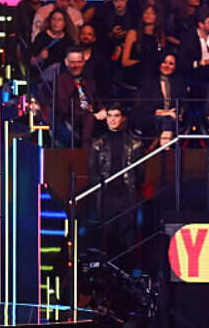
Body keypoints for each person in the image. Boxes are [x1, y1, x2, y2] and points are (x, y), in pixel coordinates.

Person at [87, 103, 143, 250]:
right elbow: (93, 171)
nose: (112, 119)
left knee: (127, 235)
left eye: (116, 116)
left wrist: (134, 189)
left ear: (122, 118)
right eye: (110, 116)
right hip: (106, 195)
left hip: (127, 194)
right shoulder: (98, 144)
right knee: (107, 235)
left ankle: (126, 263)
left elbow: (140, 173)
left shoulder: (135, 143)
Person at [138, 51, 184, 148]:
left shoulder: (179, 83)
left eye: (171, 63)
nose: (167, 66)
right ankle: (166, 151)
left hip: (173, 119)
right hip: (151, 118)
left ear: (175, 67)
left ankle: (164, 151)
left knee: (168, 120)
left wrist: (178, 112)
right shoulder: (149, 82)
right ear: (159, 64)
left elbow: (184, 104)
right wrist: (165, 113)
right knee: (167, 120)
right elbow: (144, 106)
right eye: (164, 62)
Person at [55, 48, 99, 147]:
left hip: (91, 121)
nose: (76, 66)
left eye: (79, 62)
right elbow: (63, 109)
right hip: (70, 124)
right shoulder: (60, 81)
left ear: (84, 62)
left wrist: (102, 110)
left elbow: (95, 100)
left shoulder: (89, 80)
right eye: (72, 62)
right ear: (66, 62)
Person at [180, 13, 209, 94]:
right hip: (196, 75)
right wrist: (202, 63)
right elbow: (183, 62)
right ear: (201, 24)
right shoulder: (188, 39)